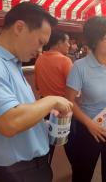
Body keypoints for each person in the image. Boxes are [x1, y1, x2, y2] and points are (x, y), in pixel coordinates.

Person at [0, 2, 73, 182]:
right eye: (40, 42)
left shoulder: (10, 62)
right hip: (15, 172)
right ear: (19, 27)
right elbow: (9, 122)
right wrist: (51, 101)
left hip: (30, 167)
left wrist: (43, 123)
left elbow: (16, 113)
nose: (39, 51)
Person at [64, 16, 106, 182]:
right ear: (93, 41)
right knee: (82, 174)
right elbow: (69, 102)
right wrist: (89, 124)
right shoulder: (80, 67)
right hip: (89, 128)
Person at [34, 29, 73, 164]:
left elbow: (37, 86)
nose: (69, 45)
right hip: (63, 109)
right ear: (59, 43)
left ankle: (43, 172)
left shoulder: (39, 59)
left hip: (44, 108)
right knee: (71, 143)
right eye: (67, 41)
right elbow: (73, 90)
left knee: (46, 145)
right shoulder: (65, 61)